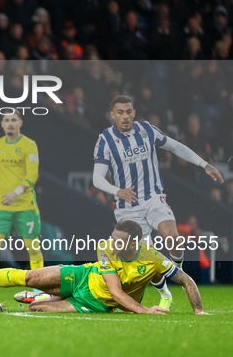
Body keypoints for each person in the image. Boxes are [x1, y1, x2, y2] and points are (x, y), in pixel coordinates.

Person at [92, 95, 224, 309]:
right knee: (146, 260)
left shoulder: (146, 130)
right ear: (112, 114)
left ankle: (178, 275)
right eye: (120, 112)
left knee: (173, 238)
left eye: (129, 111)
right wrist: (118, 191)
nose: (125, 116)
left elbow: (175, 147)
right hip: (127, 208)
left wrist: (204, 164)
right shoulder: (105, 140)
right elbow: (97, 178)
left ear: (134, 112)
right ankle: (165, 293)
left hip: (153, 198)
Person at [0, 220, 208, 315]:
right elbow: (117, 290)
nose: (112, 243)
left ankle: (43, 299)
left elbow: (187, 280)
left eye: (119, 241)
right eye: (112, 236)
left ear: (135, 243)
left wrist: (197, 310)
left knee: (36, 310)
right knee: (31, 276)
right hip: (85, 275)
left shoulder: (154, 258)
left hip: (95, 303)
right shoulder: (105, 247)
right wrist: (144, 310)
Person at [0, 109, 44, 299]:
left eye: (13, 120)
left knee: (33, 247)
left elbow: (32, 175)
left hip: (25, 206)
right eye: (6, 120)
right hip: (0, 207)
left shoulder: (29, 145)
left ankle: (38, 289)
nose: (10, 123)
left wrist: (15, 193)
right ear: (2, 124)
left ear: (21, 122)